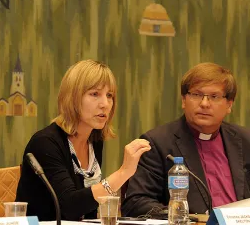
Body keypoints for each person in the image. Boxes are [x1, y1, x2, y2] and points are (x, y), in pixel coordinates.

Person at [15, 59, 151, 221]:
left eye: (109, 95)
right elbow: (70, 206)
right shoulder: (45, 143)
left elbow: (88, 210)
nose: (105, 104)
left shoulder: (94, 140)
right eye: (95, 94)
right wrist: (123, 173)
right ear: (72, 98)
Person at [122, 62, 250, 217]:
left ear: (229, 104)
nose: (204, 104)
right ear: (184, 100)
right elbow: (136, 202)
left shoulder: (245, 140)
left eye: (214, 97)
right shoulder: (158, 143)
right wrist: (183, 216)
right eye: (196, 95)